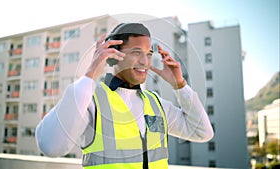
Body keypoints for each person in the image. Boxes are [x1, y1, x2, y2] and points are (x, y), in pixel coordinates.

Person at [36, 23, 214, 169]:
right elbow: (51, 146)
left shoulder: (156, 103)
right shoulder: (90, 102)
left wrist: (180, 85)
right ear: (113, 56)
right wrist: (90, 75)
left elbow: (202, 132)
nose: (145, 61)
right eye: (136, 52)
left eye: (149, 54)